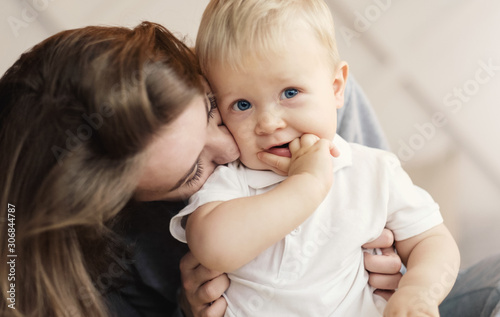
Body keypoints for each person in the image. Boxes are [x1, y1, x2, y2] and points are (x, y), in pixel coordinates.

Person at [0, 21, 401, 317]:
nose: (231, 147)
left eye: (213, 108)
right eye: (193, 172)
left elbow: (400, 216)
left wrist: (404, 267)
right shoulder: (104, 275)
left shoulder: (299, 98)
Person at [169, 0, 461, 315]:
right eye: (242, 103)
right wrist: (308, 183)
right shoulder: (233, 184)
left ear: (336, 88)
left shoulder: (372, 170)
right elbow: (212, 247)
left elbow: (432, 241)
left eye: (290, 92)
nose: (268, 122)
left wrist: (419, 290)